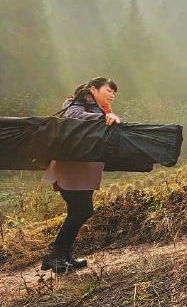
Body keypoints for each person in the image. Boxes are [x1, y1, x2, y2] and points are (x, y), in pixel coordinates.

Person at [41, 77, 121, 273]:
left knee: (77, 211)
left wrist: (109, 117)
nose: (112, 95)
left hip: (82, 169)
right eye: (108, 90)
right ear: (93, 89)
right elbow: (75, 116)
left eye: (114, 93)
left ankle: (63, 255)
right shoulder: (74, 103)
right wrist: (104, 118)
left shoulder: (103, 111)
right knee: (82, 210)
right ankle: (54, 254)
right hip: (70, 167)